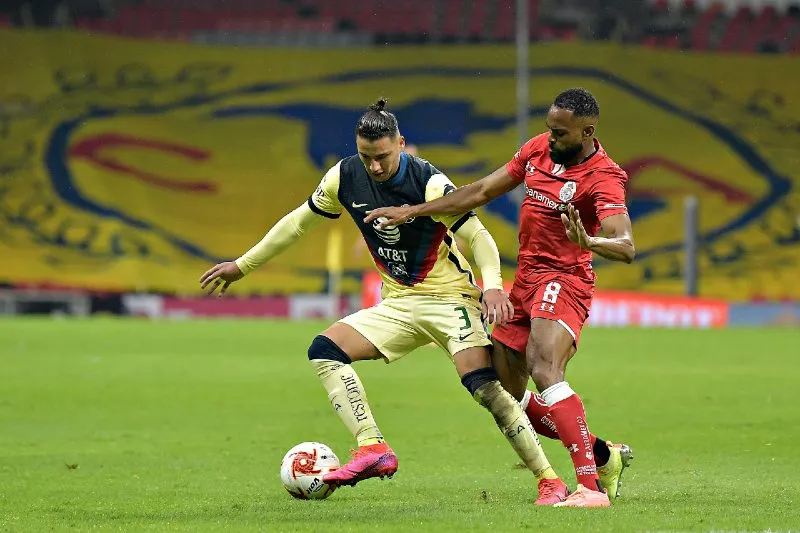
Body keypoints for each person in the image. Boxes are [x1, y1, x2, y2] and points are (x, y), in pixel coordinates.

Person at [199, 98, 571, 505]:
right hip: (398, 303)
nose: (374, 167)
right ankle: (372, 445)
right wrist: (242, 265)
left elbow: (477, 236)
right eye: (366, 157)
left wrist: (494, 285)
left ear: (400, 144)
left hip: (451, 301)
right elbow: (297, 224)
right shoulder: (344, 176)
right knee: (325, 350)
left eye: (382, 157)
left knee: (486, 389)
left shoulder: (428, 182)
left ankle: (550, 479)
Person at [364, 88, 636, 508]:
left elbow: (626, 245)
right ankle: (604, 455)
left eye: (561, 134)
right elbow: (480, 191)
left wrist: (591, 239)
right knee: (507, 395)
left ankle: (590, 489)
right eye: (549, 129)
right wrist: (413, 210)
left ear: (588, 132)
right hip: (525, 281)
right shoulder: (536, 151)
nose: (551, 139)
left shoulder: (604, 177)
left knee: (545, 368)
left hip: (564, 280)